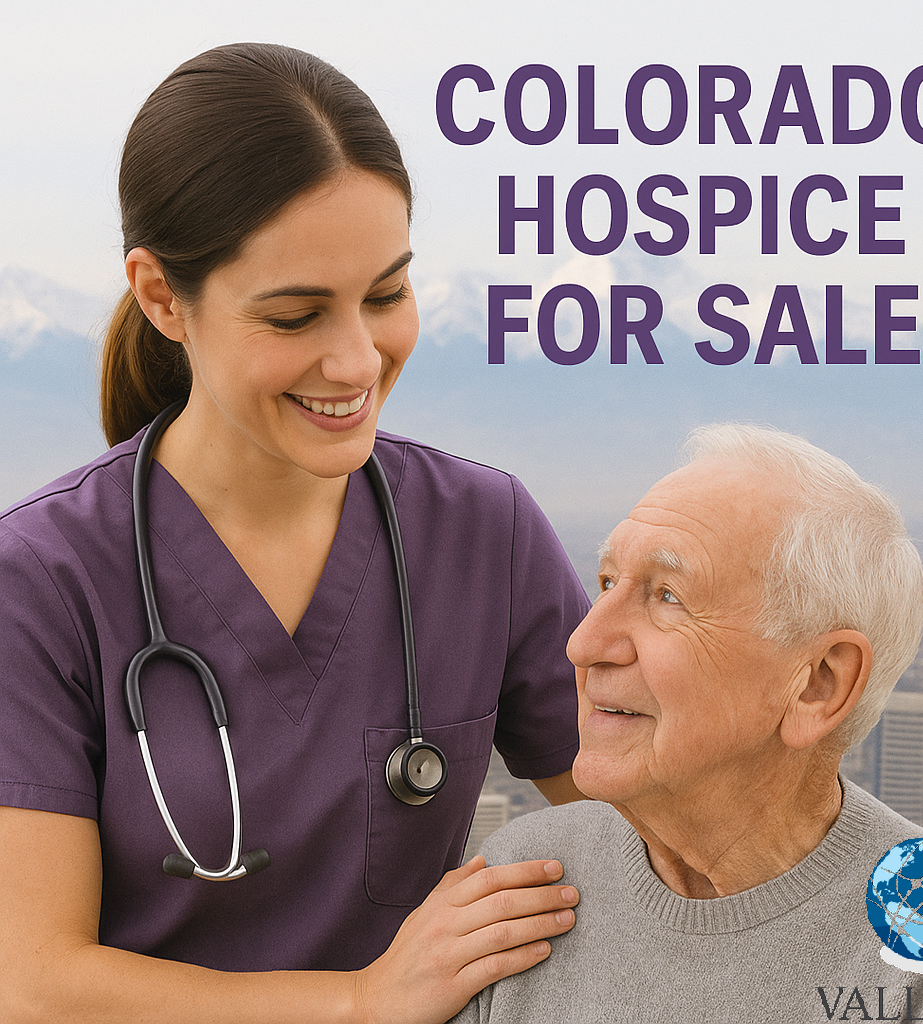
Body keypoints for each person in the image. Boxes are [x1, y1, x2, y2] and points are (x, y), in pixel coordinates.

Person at [0, 43, 589, 1023]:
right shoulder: (40, 581)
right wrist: (361, 1001)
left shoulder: (487, 534)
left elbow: (666, 828)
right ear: (160, 298)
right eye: (295, 315)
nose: (358, 358)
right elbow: (34, 985)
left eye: (387, 295)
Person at [450, 423, 923, 1023]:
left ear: (818, 683)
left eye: (667, 595)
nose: (583, 642)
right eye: (607, 583)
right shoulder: (520, 883)